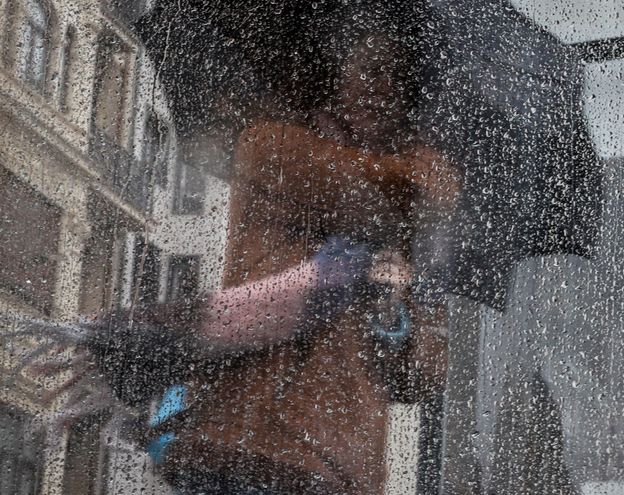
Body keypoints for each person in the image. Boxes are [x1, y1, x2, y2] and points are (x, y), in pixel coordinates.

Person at [37, 7, 458, 494]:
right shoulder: (274, 147)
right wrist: (427, 170)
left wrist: (393, 312)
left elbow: (420, 378)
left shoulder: (405, 229)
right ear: (336, 72)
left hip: (339, 471)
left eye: (399, 78)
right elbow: (412, 190)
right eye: (370, 66)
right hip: (247, 447)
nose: (382, 85)